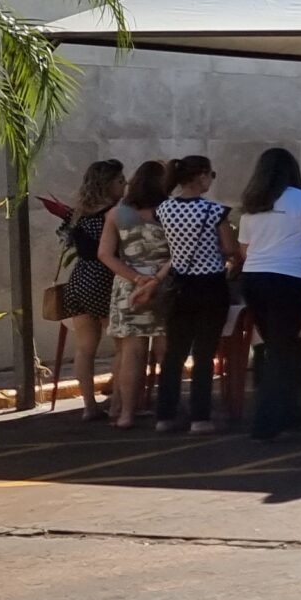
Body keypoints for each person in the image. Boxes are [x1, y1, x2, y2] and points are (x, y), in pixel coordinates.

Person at [236, 146, 301, 440]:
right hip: (287, 277)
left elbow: (244, 250)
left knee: (278, 346)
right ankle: (267, 421)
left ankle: (290, 412)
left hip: (253, 277)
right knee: (281, 347)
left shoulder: (252, 204)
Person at [153, 155, 238, 434]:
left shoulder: (164, 209)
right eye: (210, 175)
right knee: (204, 353)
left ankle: (165, 415)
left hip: (180, 285)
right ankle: (200, 416)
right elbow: (228, 249)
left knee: (174, 353)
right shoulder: (215, 211)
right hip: (211, 284)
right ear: (201, 176)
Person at [99, 160, 170, 429]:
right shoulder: (170, 211)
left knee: (132, 351)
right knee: (166, 350)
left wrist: (135, 277)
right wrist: (155, 277)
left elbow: (105, 254)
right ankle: (168, 410)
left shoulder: (117, 214)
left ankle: (126, 413)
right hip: (164, 285)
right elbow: (179, 252)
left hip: (128, 285)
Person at [59, 159, 124, 421]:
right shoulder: (115, 212)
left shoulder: (75, 213)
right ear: (108, 184)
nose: (125, 186)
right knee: (124, 346)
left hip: (79, 278)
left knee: (85, 347)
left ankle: (89, 405)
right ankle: (119, 403)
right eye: (120, 181)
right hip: (107, 278)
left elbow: (64, 240)